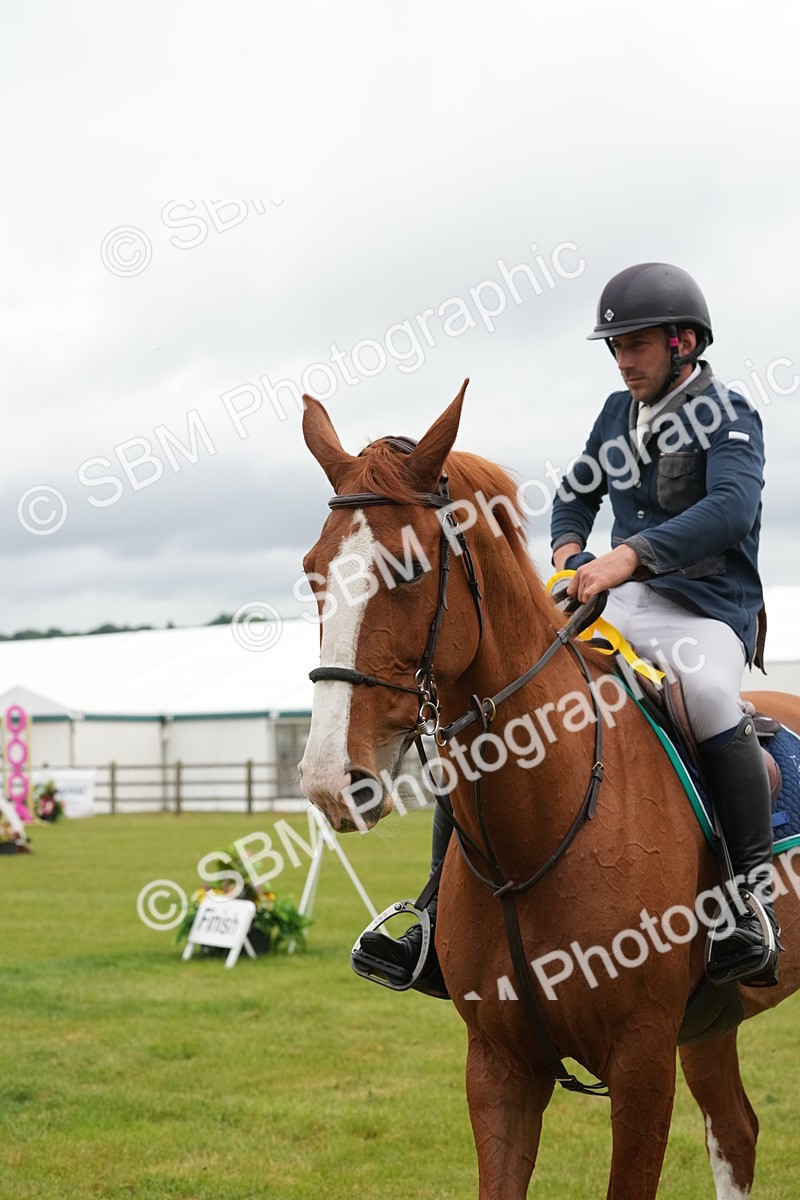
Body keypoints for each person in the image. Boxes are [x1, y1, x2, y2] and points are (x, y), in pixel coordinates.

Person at [354, 262, 780, 995]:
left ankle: (748, 900)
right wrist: (567, 549)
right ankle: (429, 913)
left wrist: (628, 556)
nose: (622, 359)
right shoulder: (617, 413)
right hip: (620, 596)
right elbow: (578, 493)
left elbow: (730, 513)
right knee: (495, 695)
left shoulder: (732, 415)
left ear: (683, 342)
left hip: (709, 608)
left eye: (636, 344)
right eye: (614, 346)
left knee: (708, 699)